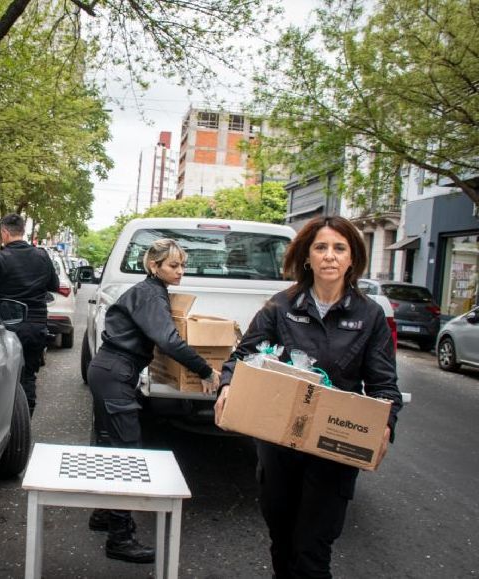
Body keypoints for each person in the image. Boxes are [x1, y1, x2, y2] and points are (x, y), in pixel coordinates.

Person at [214, 215, 403, 579]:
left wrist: (385, 425)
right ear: (307, 257)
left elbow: (384, 387)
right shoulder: (280, 306)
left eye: (339, 248)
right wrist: (228, 385)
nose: (329, 256)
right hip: (278, 441)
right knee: (282, 540)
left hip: (333, 446)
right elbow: (242, 357)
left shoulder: (370, 315)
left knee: (312, 550)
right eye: (321, 247)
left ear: (352, 259)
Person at [87, 238, 218, 564]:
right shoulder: (150, 293)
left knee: (110, 446)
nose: (180, 272)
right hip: (116, 372)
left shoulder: (151, 291)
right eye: (173, 266)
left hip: (111, 370)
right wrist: (204, 370)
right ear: (154, 266)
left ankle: (104, 514)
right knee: (127, 454)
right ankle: (120, 538)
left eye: (183, 265)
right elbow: (168, 340)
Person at [0, 214, 59, 416]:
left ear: (4, 232)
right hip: (36, 325)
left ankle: (2, 421)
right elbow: (54, 285)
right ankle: (25, 420)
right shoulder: (42, 256)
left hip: (9, 326)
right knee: (28, 376)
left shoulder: (0, 257)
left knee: (3, 376)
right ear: (22, 231)